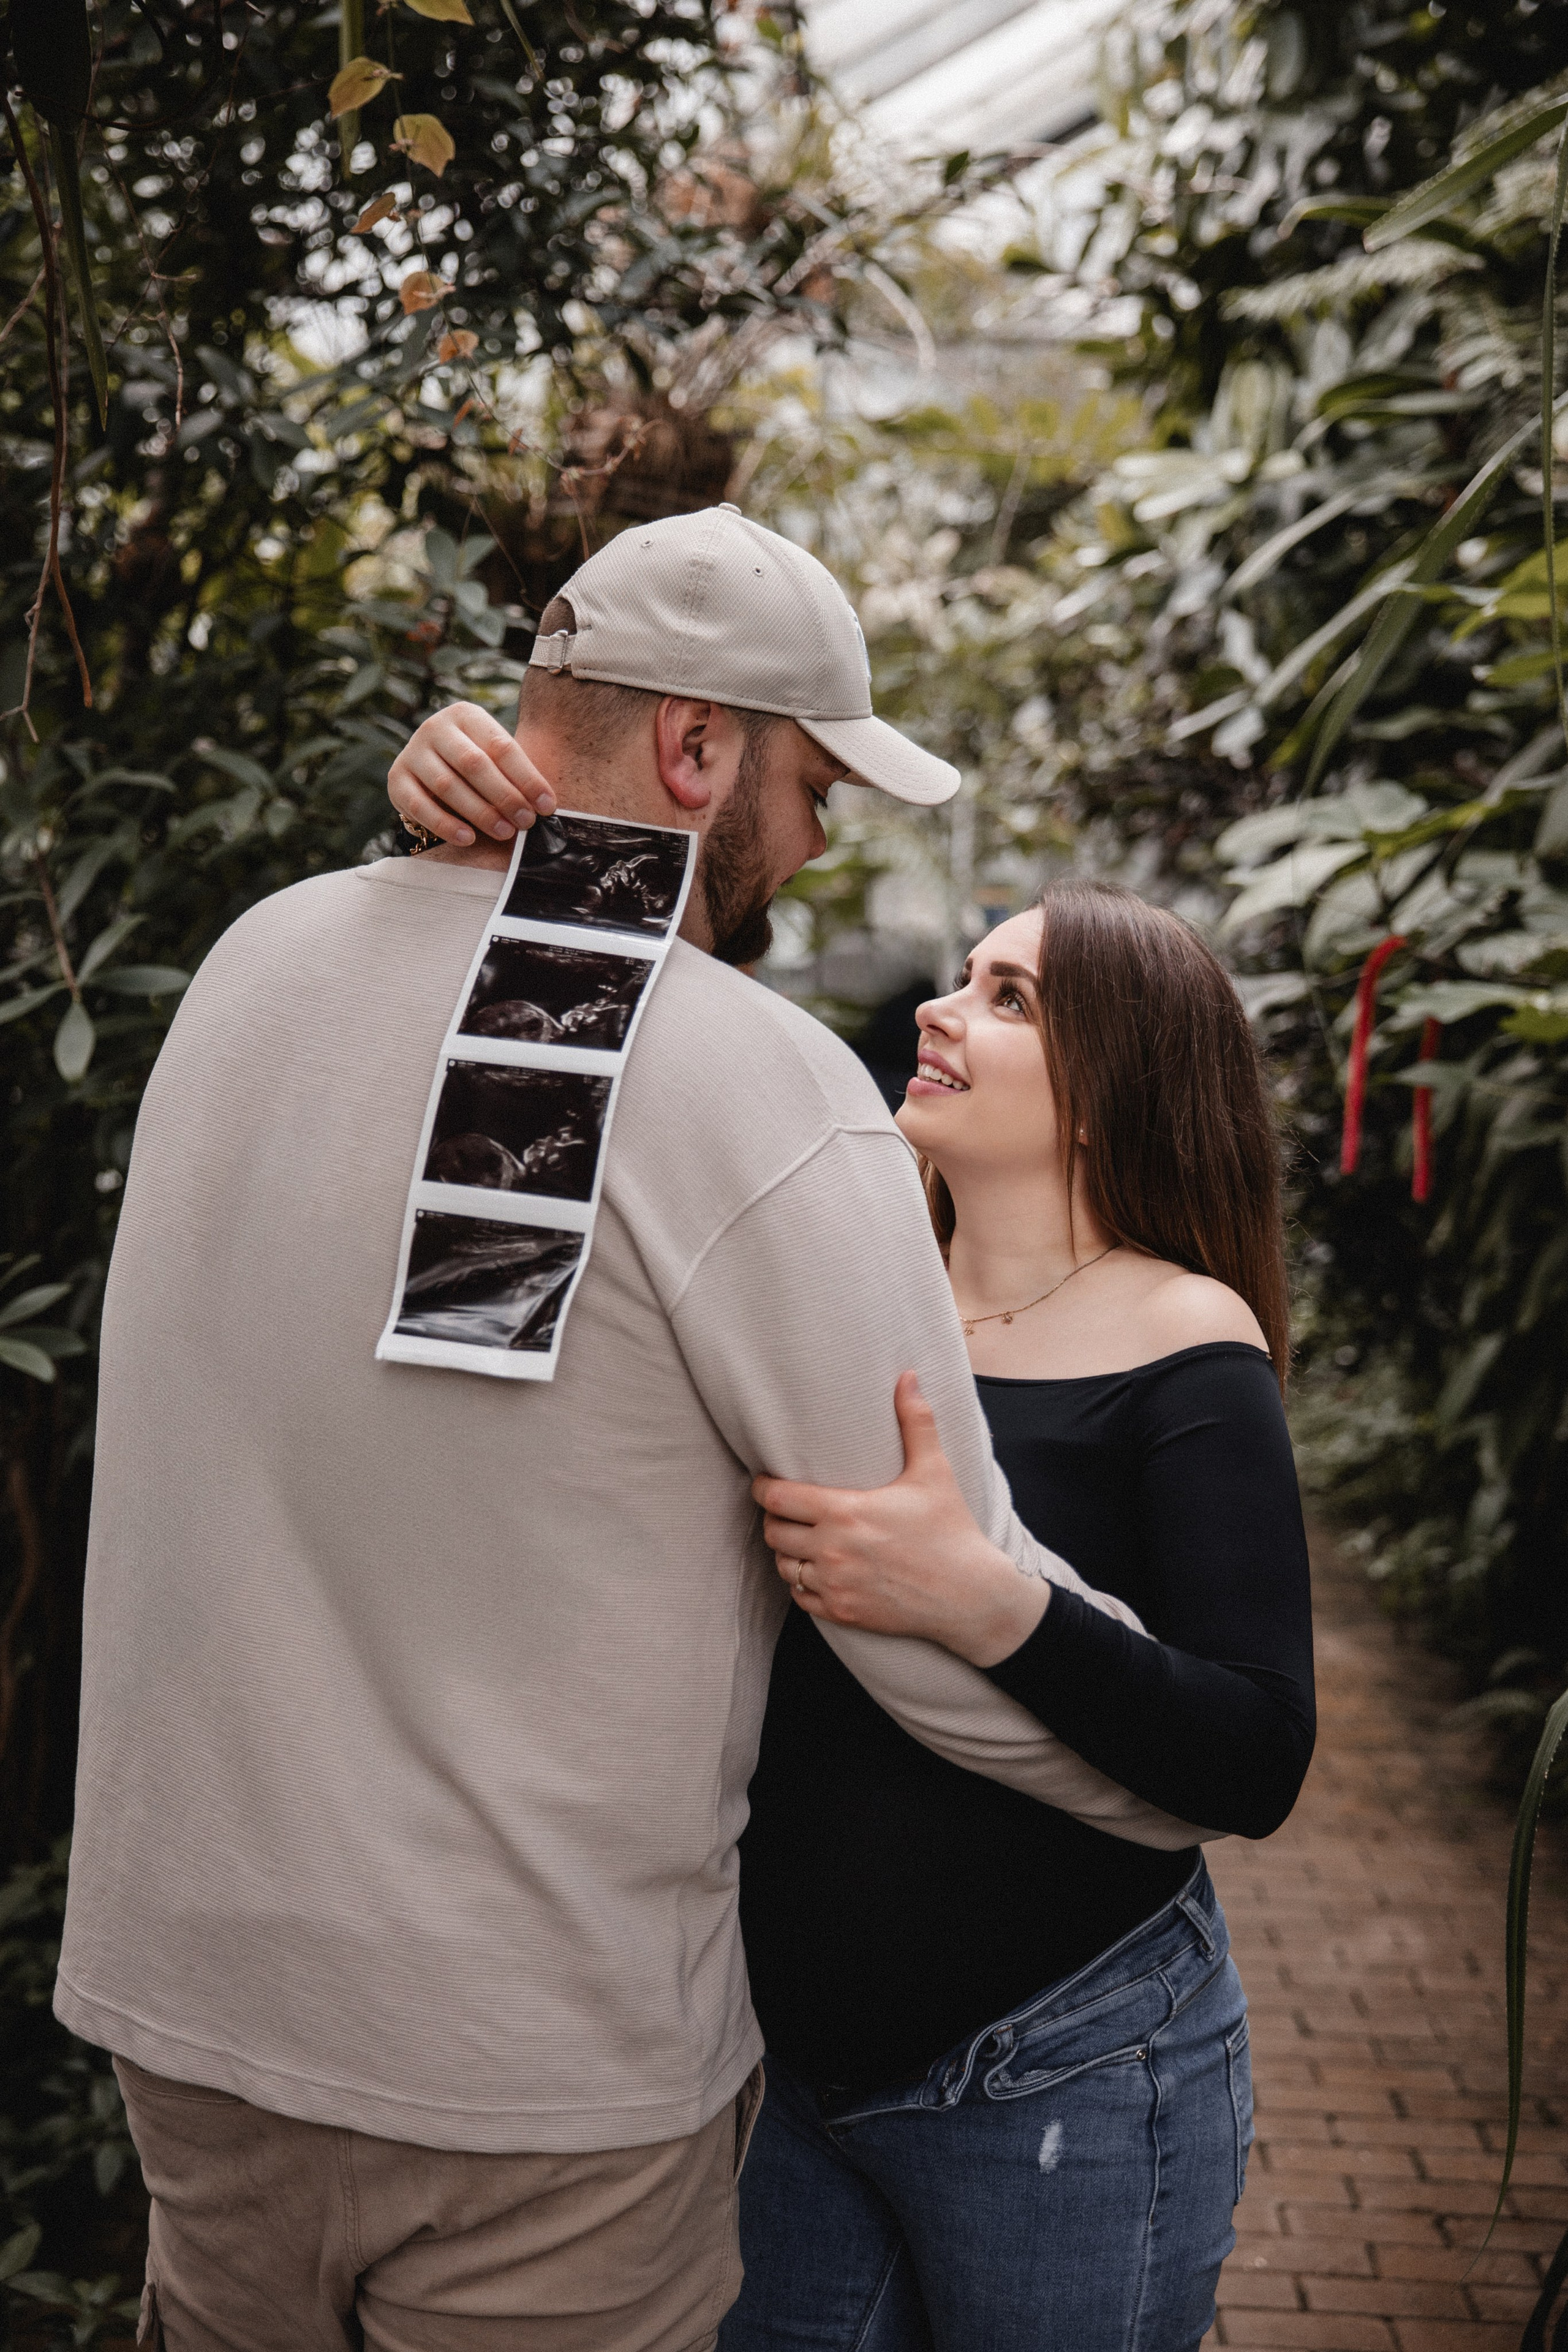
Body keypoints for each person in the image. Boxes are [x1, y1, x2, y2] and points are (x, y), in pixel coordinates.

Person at [58, 507, 1204, 2352]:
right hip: (534, 2077)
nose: (823, 845)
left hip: (193, 2018)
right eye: (816, 785)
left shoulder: (247, 969)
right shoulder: (756, 1088)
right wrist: (1180, 1763)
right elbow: (932, 1627)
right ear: (698, 750)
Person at [381, 847, 1316, 2342]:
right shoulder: (853, 1292)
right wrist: (481, 842)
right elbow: (543, 1147)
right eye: (965, 977)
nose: (942, 1012)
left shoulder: (1182, 1338)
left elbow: (1256, 1752)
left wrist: (986, 1603)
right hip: (788, 2068)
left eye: (1007, 998)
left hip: (1067, 2062)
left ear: (1117, 1081)